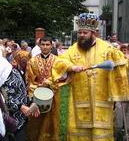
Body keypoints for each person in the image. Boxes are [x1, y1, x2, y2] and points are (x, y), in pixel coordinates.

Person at [51, 13, 129, 141]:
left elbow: (123, 64)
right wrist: (71, 67)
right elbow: (59, 62)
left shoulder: (107, 47)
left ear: (94, 33)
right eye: (80, 32)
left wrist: (117, 57)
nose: (81, 35)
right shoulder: (73, 49)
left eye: (85, 33)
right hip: (77, 100)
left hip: (101, 100)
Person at [25, 36, 57, 141]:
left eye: (47, 44)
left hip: (53, 97)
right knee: (35, 125)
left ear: (51, 46)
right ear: (39, 46)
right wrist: (35, 94)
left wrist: (48, 83)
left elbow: (59, 77)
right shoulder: (32, 61)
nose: (45, 47)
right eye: (43, 44)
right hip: (37, 97)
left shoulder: (58, 61)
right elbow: (29, 81)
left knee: (52, 124)